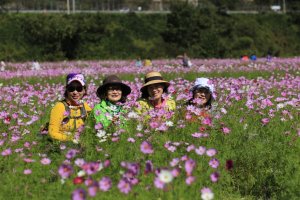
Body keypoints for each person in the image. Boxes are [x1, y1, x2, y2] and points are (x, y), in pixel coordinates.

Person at [49, 73, 91, 142]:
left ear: (84, 90)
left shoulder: (85, 106)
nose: (75, 92)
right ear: (67, 90)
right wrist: (71, 139)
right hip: (63, 144)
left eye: (79, 88)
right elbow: (52, 133)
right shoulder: (59, 107)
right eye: (71, 89)